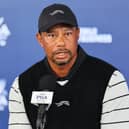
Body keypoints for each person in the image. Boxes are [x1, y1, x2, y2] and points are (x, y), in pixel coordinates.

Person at [8, 3, 129, 129]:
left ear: (77, 34)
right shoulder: (22, 85)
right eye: (51, 35)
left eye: (67, 34)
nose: (60, 42)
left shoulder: (111, 80)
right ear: (40, 39)